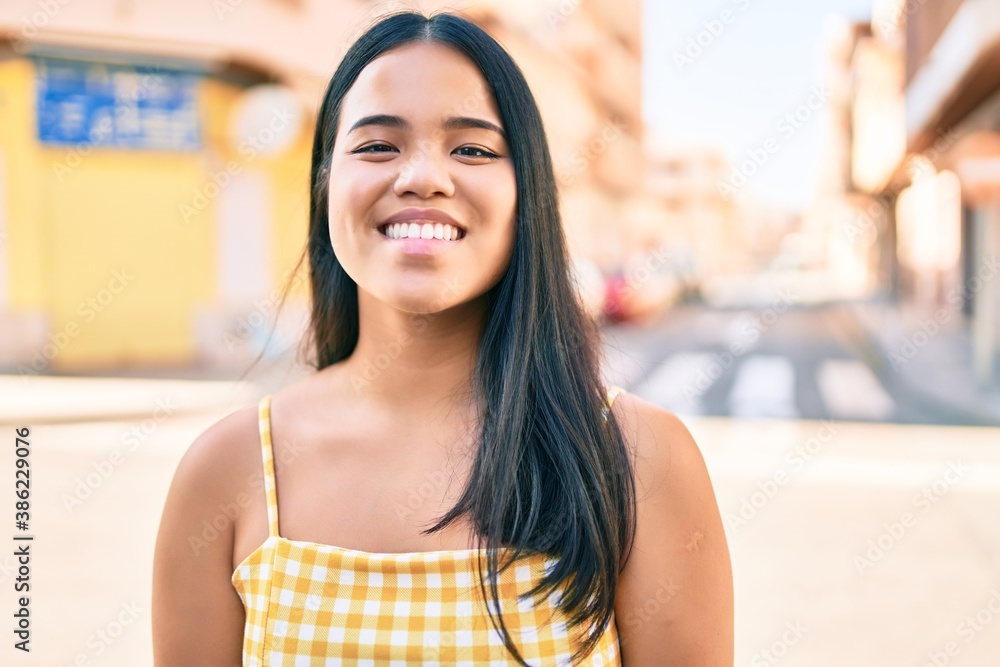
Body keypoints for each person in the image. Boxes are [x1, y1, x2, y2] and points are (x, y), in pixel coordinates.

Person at [151, 10, 732, 666]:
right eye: (377, 145)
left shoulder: (637, 459)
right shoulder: (225, 472)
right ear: (325, 185)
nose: (423, 176)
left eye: (473, 149)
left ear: (527, 193)